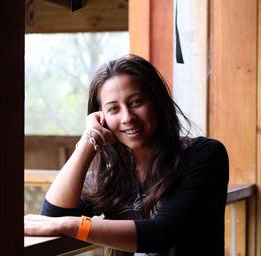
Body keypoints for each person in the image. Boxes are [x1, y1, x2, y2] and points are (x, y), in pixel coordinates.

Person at [24, 54, 229, 256]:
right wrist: (89, 140)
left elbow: (162, 234)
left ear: (157, 102)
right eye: (113, 109)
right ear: (102, 117)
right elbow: (54, 214)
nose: (127, 117)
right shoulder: (111, 178)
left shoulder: (205, 155)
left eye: (136, 102)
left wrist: (72, 225)